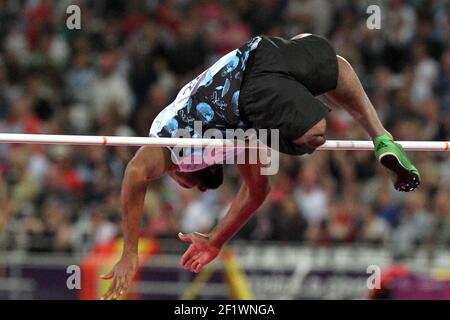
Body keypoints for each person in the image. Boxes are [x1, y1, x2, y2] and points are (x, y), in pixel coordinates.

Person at [99, 34, 420, 300]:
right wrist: (215, 240)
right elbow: (257, 191)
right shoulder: (232, 144)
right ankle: (382, 137)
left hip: (248, 91)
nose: (170, 177)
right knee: (335, 68)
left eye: (175, 180)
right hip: (261, 52)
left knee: (313, 134)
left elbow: (135, 172)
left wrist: (130, 250)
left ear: (188, 176)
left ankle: (305, 113)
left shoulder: (173, 145)